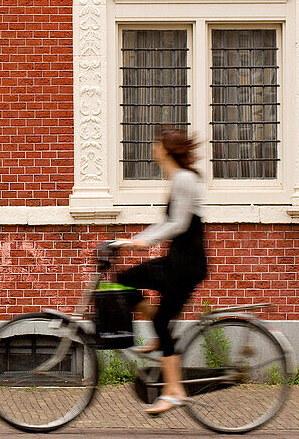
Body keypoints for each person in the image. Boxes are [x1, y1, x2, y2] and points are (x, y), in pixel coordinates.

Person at [116, 128, 208, 416]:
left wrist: (142, 242)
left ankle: (174, 392)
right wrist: (133, 240)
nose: (153, 147)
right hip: (181, 261)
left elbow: (178, 224)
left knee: (124, 282)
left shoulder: (183, 178)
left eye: (157, 143)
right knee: (128, 285)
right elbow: (167, 223)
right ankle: (160, 335)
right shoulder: (178, 178)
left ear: (167, 149)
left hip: (185, 265)